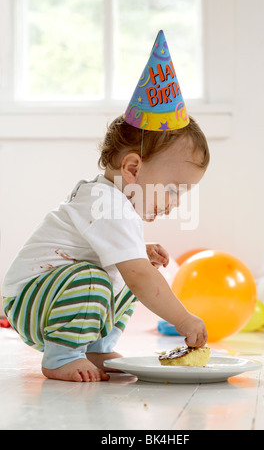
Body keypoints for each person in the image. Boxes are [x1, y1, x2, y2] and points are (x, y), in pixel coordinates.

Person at [1, 31, 210, 382]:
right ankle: (61, 355)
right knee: (114, 278)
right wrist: (184, 319)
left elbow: (102, 252)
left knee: (127, 274)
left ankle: (96, 347)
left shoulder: (112, 202)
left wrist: (137, 251)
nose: (175, 204)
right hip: (29, 301)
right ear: (132, 169)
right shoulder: (106, 204)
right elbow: (137, 275)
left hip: (53, 295)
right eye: (173, 190)